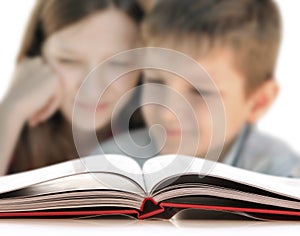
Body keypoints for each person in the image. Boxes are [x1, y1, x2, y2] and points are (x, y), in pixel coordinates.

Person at [101, 0, 300, 177]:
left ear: (258, 102)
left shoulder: (284, 178)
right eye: (156, 82)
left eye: (200, 91)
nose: (168, 113)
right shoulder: (108, 164)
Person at [0, 0, 144, 175]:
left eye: (117, 63)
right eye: (69, 60)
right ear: (37, 58)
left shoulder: (166, 138)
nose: (92, 90)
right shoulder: (10, 135)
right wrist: (11, 111)